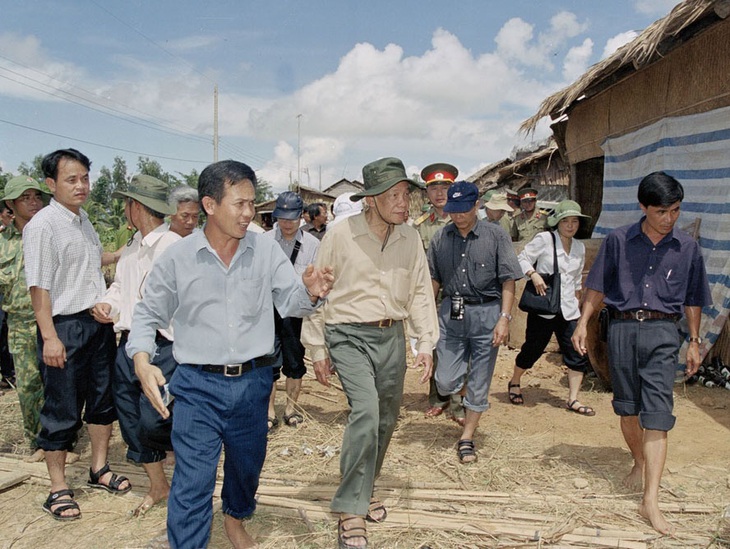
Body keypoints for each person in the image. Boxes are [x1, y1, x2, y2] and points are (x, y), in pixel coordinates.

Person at [126, 160, 333, 549]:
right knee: (192, 480)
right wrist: (141, 358)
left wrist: (311, 293)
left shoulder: (265, 250)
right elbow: (147, 314)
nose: (248, 213)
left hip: (254, 383)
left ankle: (236, 518)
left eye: (252, 204)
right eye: (239, 203)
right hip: (197, 386)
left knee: (246, 467)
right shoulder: (177, 257)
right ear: (209, 204)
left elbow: (291, 302)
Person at [302, 157, 438, 549]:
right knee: (366, 412)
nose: (402, 203)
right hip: (347, 335)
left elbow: (418, 292)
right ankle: (350, 510)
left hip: (391, 336)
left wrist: (424, 342)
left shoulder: (410, 237)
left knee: (386, 420)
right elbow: (319, 288)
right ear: (371, 200)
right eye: (394, 195)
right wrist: (317, 347)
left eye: (405, 195)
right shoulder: (340, 235)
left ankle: (363, 487)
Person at [572, 171, 711, 535]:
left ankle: (651, 499)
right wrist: (582, 323)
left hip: (664, 332)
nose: (669, 218)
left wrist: (694, 342)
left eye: (676, 211)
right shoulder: (619, 241)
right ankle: (638, 460)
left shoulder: (687, 248)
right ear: (643, 207)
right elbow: (597, 285)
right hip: (620, 330)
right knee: (628, 407)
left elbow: (694, 298)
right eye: (662, 211)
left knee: (658, 413)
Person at [23, 148, 131, 521]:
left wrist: (120, 255)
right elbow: (39, 287)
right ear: (51, 184)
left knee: (102, 401)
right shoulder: (43, 226)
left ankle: (98, 468)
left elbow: (88, 260)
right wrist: (50, 337)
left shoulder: (82, 220)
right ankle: (57, 488)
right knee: (62, 407)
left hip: (96, 324)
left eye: (85, 178)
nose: (81, 185)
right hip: (63, 328)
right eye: (72, 179)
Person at [91, 175, 180, 518]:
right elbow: (121, 290)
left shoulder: (172, 247)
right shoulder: (132, 246)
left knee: (156, 418)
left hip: (164, 344)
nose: (124, 209)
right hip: (128, 343)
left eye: (127, 203)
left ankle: (189, 473)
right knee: (129, 416)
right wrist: (108, 306)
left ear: (137, 207)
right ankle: (159, 486)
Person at [428, 181, 522, 465]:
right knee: (444, 381)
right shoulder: (440, 238)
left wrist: (504, 319)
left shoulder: (495, 236)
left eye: (463, 210)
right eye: (453, 211)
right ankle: (468, 388)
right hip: (452, 311)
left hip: (487, 313)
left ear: (477, 206)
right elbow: (433, 278)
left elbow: (508, 280)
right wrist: (427, 316)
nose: (457, 216)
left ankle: (467, 436)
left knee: (481, 378)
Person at [508, 200, 594, 415]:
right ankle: (515, 381)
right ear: (557, 222)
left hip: (569, 309)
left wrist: (578, 300)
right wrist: (534, 274)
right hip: (544, 307)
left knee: (576, 352)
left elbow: (575, 280)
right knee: (533, 348)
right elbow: (522, 258)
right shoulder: (545, 239)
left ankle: (573, 399)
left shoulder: (579, 247)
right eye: (566, 221)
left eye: (575, 221)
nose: (571, 225)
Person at [0, 176, 50, 461]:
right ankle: (37, 441)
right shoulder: (2, 244)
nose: (33, 202)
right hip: (19, 323)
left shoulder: (49, 234)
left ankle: (60, 440)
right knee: (29, 385)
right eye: (25, 198)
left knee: (57, 382)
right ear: (10, 203)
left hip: (53, 320)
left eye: (36, 196)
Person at [263, 191, 320, 428]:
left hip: (296, 311)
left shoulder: (312, 244)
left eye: (292, 218)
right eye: (282, 218)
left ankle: (291, 409)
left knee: (295, 362)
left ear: (301, 217)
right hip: (268, 310)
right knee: (268, 361)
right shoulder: (264, 241)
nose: (287, 223)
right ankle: (268, 412)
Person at [414, 162, 465, 425]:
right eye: (434, 187)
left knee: (456, 345)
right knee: (432, 343)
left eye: (445, 186)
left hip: (457, 296)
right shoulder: (420, 226)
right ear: (427, 193)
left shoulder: (462, 218)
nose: (440, 192)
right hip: (431, 296)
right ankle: (437, 399)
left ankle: (458, 402)